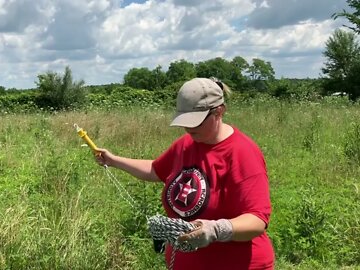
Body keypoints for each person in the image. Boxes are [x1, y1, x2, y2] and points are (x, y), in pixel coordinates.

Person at [94, 77, 275, 270]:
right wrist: (113, 160)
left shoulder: (242, 152)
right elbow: (156, 169)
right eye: (185, 121)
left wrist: (216, 229)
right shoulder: (186, 144)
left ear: (219, 112)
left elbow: (256, 220)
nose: (188, 128)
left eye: (195, 122)